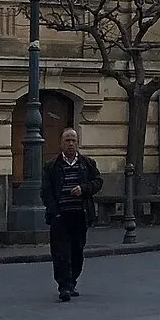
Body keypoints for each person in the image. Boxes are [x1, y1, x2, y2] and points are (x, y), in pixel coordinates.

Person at [41, 127, 102, 301]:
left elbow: (98, 181)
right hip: (60, 216)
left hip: (80, 215)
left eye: (73, 140)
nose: (70, 144)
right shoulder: (52, 166)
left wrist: (84, 189)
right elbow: (46, 190)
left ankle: (72, 281)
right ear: (61, 143)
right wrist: (54, 210)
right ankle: (64, 286)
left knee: (77, 251)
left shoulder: (87, 164)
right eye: (67, 140)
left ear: (77, 143)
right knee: (60, 252)